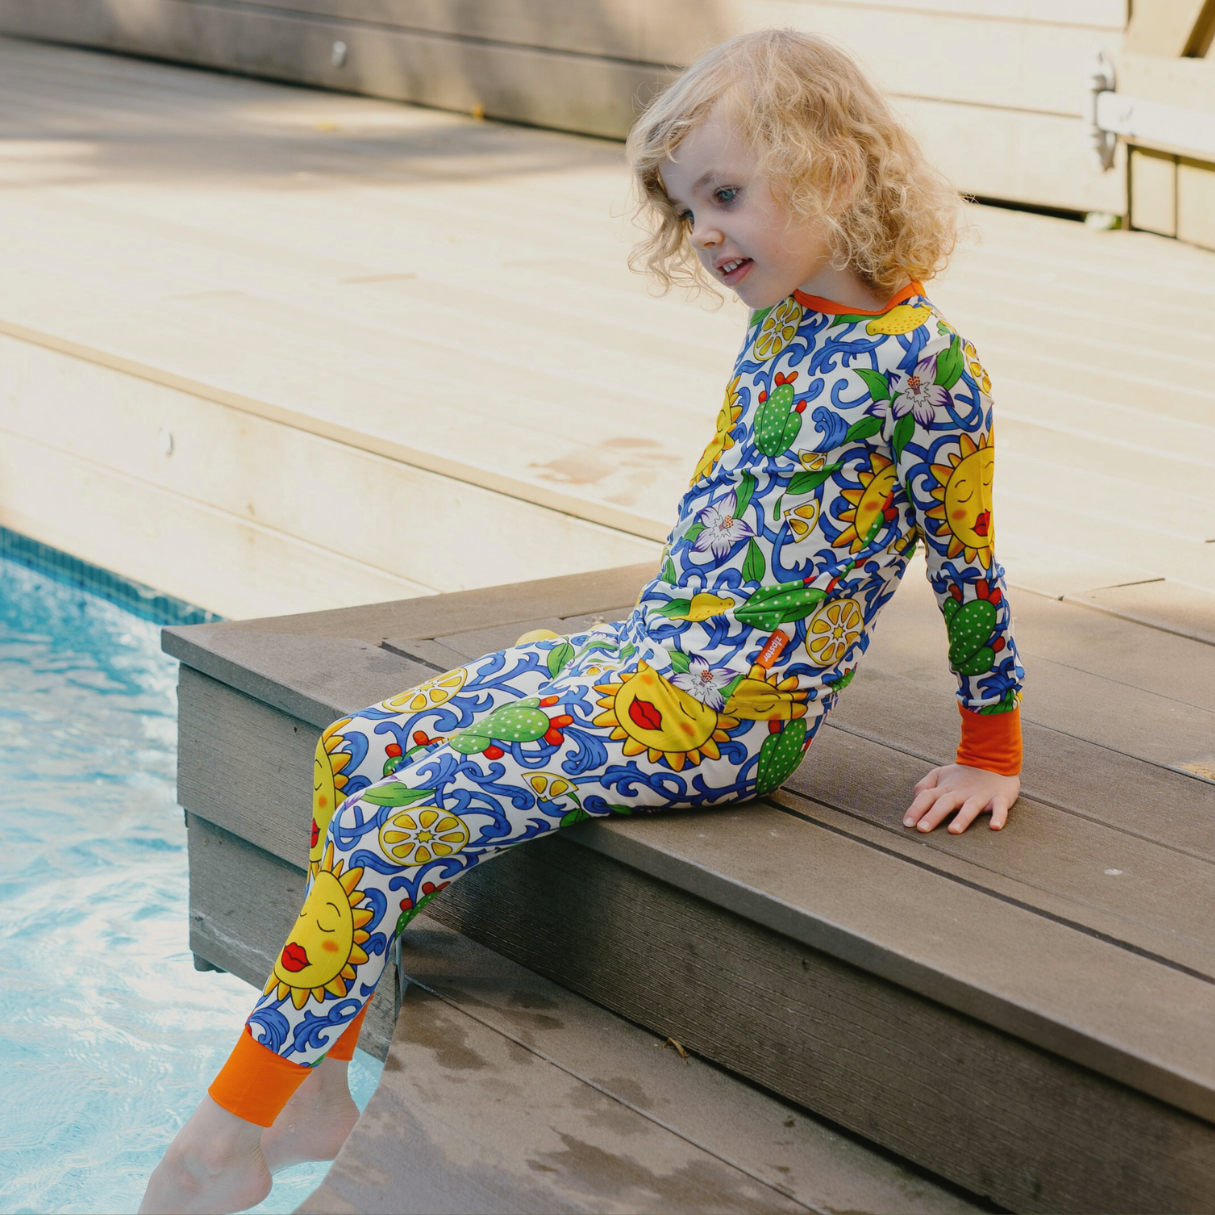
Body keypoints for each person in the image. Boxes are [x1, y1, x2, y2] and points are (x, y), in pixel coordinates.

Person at [141, 28, 1023, 1213]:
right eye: (687, 207)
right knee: (355, 751)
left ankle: (220, 1140)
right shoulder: (788, 319)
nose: (703, 232)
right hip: (649, 657)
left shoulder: (928, 368)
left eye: (725, 196)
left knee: (387, 829)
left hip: (717, 719)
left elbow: (968, 564)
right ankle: (313, 1092)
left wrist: (990, 749)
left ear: (836, 172)